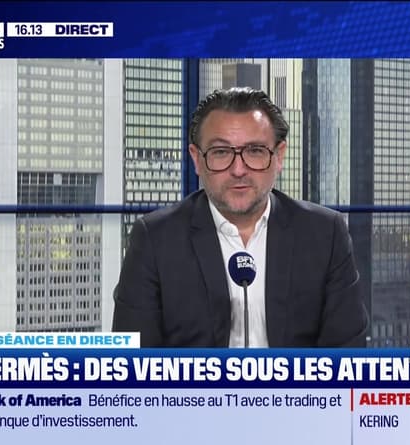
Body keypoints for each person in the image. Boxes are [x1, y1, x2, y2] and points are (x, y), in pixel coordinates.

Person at [112, 87, 367, 347]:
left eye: (255, 151)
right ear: (197, 159)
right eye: (221, 152)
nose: (238, 169)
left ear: (279, 156)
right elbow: (132, 360)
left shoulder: (325, 234)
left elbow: (348, 354)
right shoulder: (155, 239)